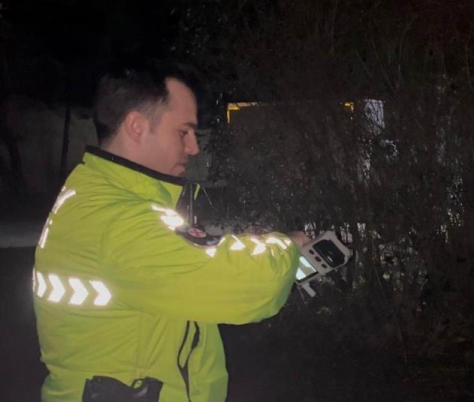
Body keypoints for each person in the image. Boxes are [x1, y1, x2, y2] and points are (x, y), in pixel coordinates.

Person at [32, 63, 310, 402]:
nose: (193, 147)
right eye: (183, 132)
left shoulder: (96, 195)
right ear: (137, 127)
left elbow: (186, 265)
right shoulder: (119, 220)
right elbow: (248, 285)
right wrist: (287, 246)